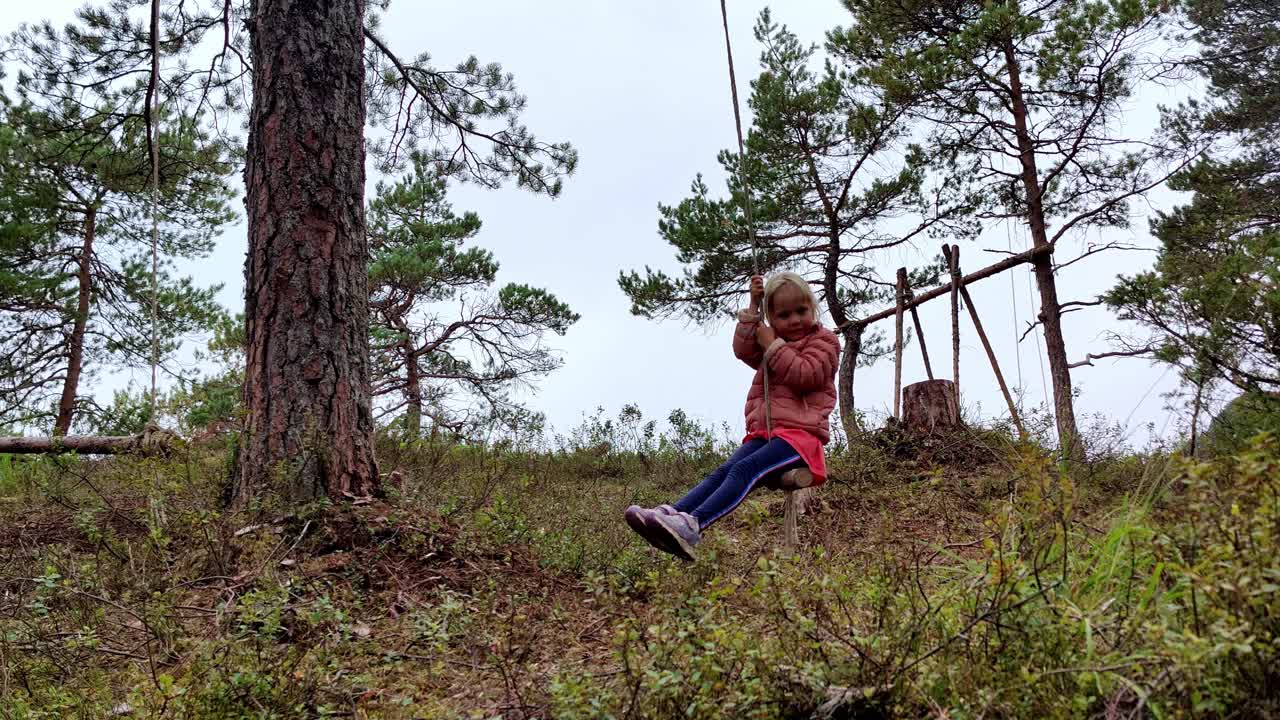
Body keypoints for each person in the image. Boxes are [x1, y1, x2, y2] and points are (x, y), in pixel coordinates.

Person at [624, 271, 840, 560]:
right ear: (772, 319)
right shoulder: (773, 343)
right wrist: (753, 310)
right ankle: (674, 513)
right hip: (768, 436)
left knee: (743, 470)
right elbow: (743, 350)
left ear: (812, 307)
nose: (795, 320)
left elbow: (806, 375)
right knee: (723, 471)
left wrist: (773, 345)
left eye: (801, 311)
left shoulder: (824, 342)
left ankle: (693, 525)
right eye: (784, 315)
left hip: (800, 441)